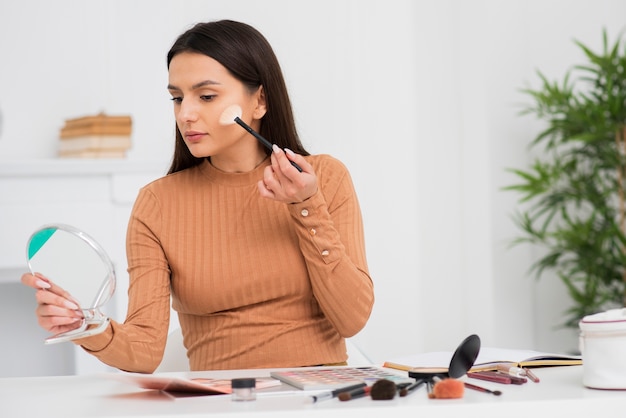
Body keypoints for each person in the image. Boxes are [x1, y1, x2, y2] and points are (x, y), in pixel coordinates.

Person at [21, 19, 374, 373]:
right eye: (177, 98)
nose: (185, 114)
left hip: (320, 395)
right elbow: (144, 350)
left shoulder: (324, 178)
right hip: (218, 402)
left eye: (206, 96)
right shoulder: (158, 204)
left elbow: (352, 319)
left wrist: (306, 206)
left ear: (260, 101)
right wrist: (85, 325)